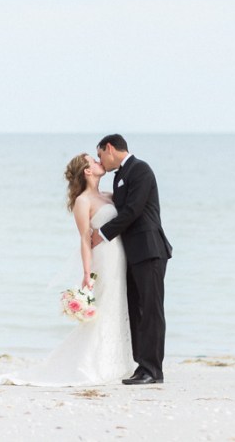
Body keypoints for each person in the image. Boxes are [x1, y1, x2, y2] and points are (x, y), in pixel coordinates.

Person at [0, 153, 135, 386]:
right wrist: (87, 273)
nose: (98, 162)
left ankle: (117, 361)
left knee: (117, 305)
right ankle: (92, 364)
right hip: (103, 259)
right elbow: (84, 239)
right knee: (103, 307)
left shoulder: (108, 195)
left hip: (120, 256)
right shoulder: (83, 201)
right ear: (87, 171)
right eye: (93, 161)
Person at [96, 134, 172, 385]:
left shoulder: (140, 169)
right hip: (132, 253)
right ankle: (142, 365)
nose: (100, 161)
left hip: (150, 250)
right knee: (136, 310)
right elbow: (122, 204)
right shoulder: (120, 175)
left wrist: (102, 233)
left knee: (151, 311)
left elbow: (133, 210)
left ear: (110, 148)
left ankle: (153, 370)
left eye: (100, 155)